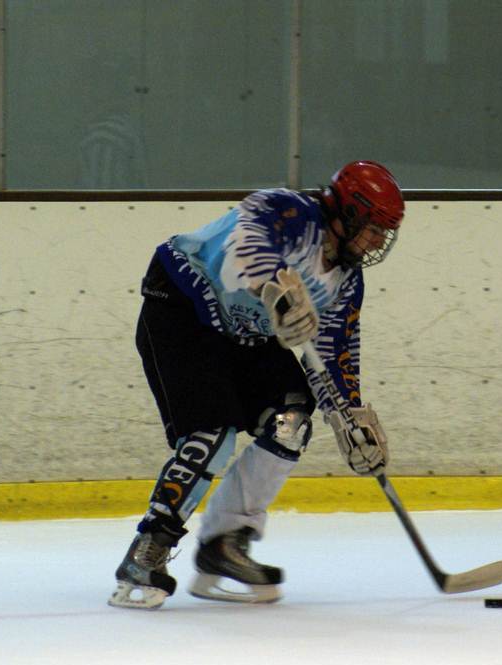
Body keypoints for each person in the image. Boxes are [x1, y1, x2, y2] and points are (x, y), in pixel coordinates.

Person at [108, 160, 405, 610]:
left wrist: (348, 417)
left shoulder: (346, 281)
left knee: (291, 422)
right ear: (348, 214)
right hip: (181, 309)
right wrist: (273, 288)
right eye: (374, 228)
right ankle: (147, 550)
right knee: (210, 437)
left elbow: (335, 351)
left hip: (244, 335)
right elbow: (246, 242)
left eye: (385, 232)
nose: (378, 241)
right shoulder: (288, 212)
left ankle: (224, 544)